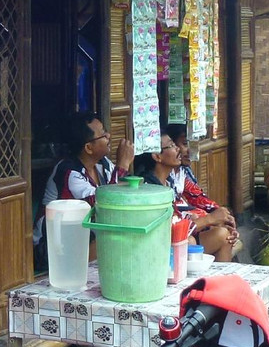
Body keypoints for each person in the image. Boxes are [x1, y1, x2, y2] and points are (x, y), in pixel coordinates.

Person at [32, 112, 134, 270]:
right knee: (108, 237)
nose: (108, 135)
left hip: (79, 238)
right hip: (51, 246)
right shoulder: (69, 172)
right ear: (88, 147)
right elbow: (105, 201)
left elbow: (121, 191)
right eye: (102, 134)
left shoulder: (103, 164)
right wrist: (123, 166)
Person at [136, 125, 237, 262]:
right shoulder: (149, 189)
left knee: (224, 235)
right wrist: (209, 219)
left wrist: (215, 222)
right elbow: (170, 230)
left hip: (179, 239)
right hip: (157, 248)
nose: (177, 148)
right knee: (189, 242)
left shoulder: (169, 183)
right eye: (171, 146)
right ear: (157, 156)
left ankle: (219, 282)